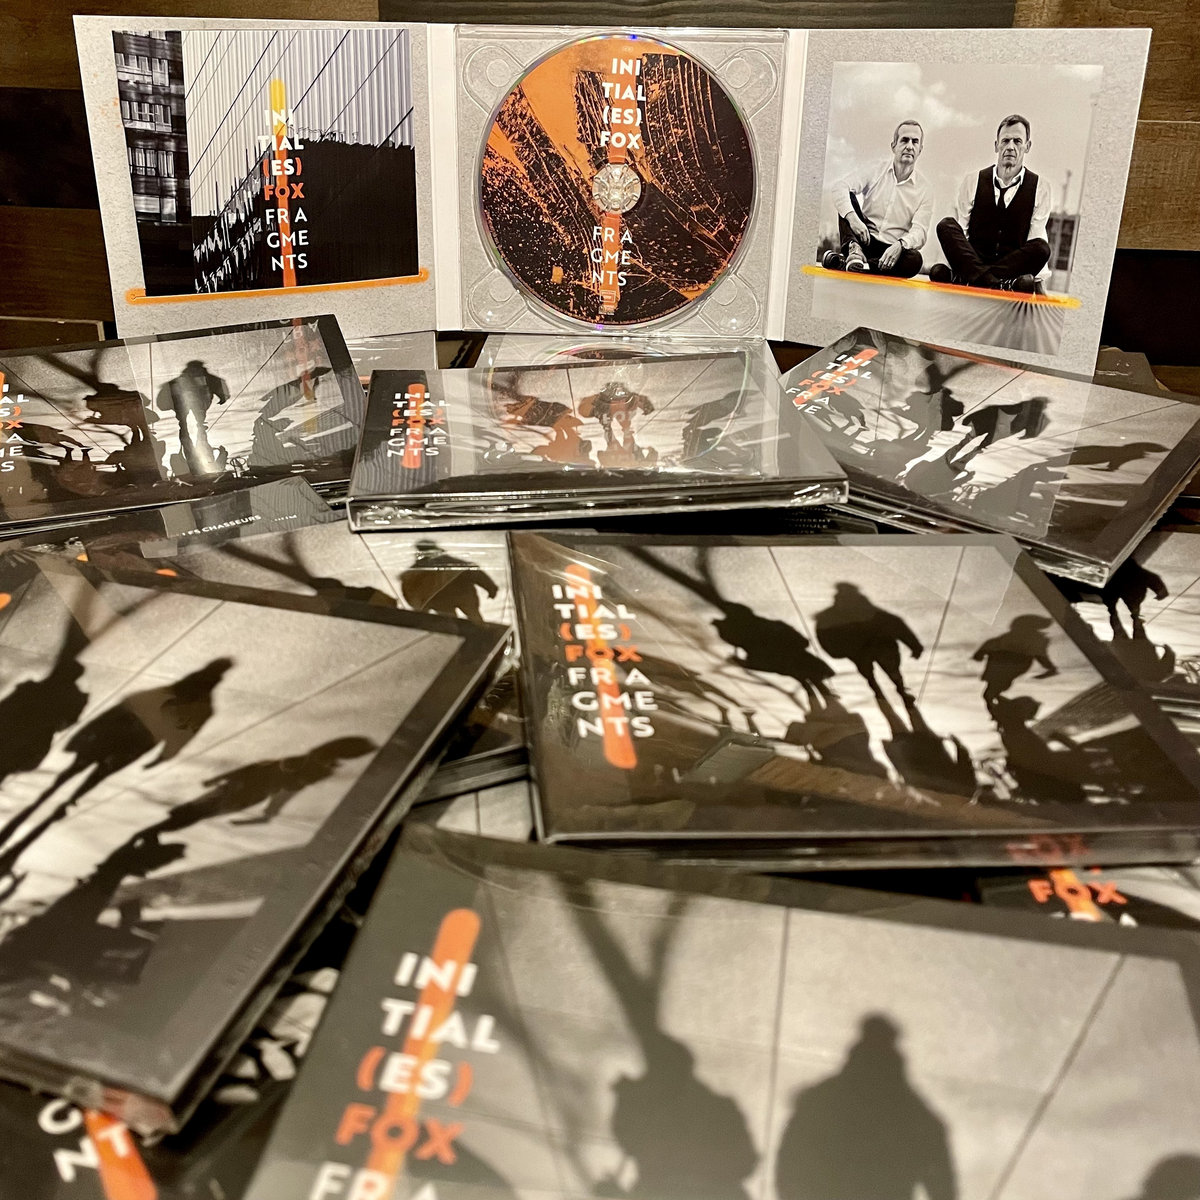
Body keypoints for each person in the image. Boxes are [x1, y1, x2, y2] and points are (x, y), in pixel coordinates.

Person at [931, 114, 1052, 294]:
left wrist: (1039, 284)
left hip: (1010, 267)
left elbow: (1034, 239)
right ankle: (998, 284)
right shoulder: (972, 180)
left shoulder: (1041, 187)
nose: (1010, 147)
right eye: (1005, 141)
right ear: (996, 145)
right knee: (946, 225)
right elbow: (962, 233)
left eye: (1017, 141)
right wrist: (952, 265)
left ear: (1027, 146)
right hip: (974, 260)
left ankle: (972, 280)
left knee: (1041, 248)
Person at [823, 120, 931, 278]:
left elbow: (920, 231)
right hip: (863, 239)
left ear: (920, 149)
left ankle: (853, 264)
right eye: (904, 140)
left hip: (891, 252)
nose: (909, 146)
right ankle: (854, 252)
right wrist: (853, 219)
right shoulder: (875, 170)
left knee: (915, 260)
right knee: (847, 197)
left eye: (915, 141)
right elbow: (839, 187)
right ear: (893, 146)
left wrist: (901, 245)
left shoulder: (925, 189)